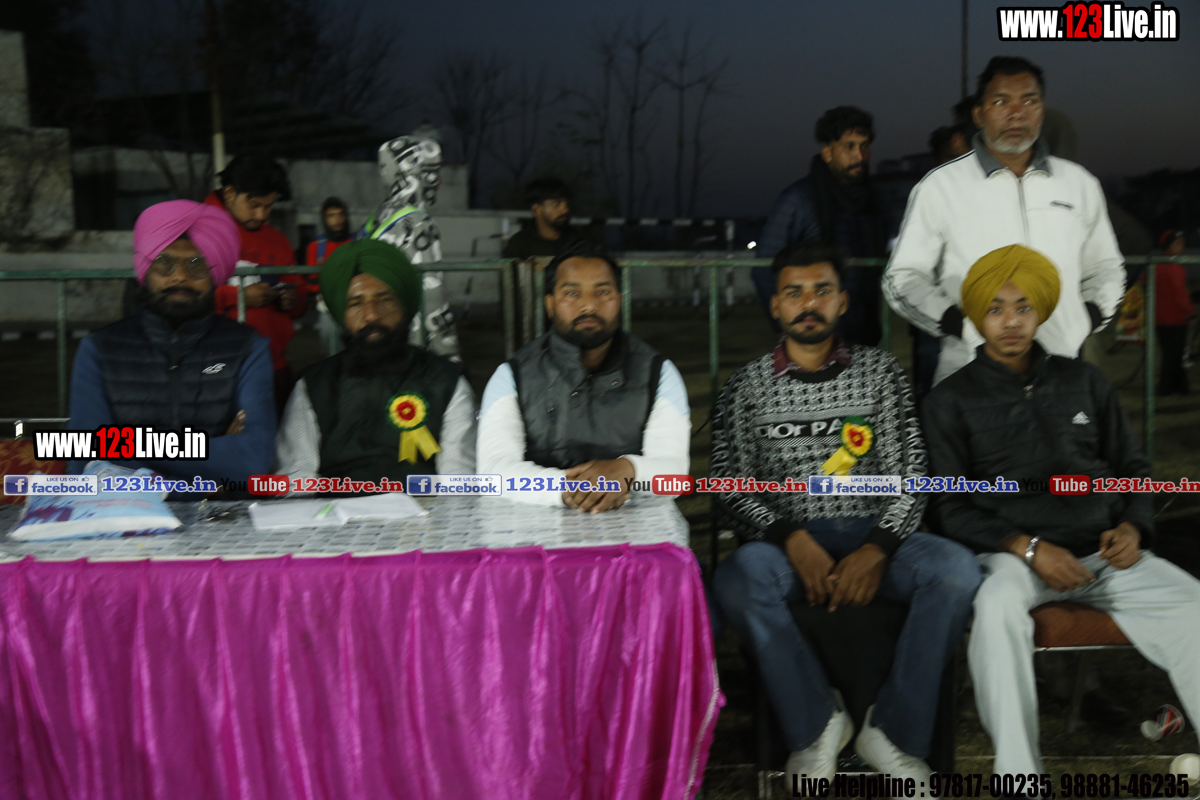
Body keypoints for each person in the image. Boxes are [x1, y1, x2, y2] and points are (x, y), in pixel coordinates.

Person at [921, 244, 1200, 776]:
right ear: (977, 314)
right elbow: (947, 506)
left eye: (1023, 307)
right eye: (996, 308)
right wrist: (1028, 549)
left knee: (1194, 606)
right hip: (1010, 557)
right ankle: (1019, 776)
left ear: (1041, 311)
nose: (1010, 321)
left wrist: (1133, 526)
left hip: (1103, 553)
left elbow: (1132, 467)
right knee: (997, 607)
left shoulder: (1083, 380)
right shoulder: (948, 400)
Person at [711, 241, 980, 786]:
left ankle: (895, 734)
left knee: (955, 571)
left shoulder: (880, 373)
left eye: (822, 291)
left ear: (842, 302)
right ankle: (817, 725)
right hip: (785, 546)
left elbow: (911, 475)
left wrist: (877, 548)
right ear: (776, 305)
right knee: (738, 579)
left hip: (875, 534)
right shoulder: (747, 386)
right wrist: (791, 538)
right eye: (794, 293)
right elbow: (729, 486)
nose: (808, 304)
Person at [883, 56, 1126, 385]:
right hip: (971, 375)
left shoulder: (1078, 183)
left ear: (1042, 110)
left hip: (1060, 374)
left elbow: (1106, 267)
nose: (1017, 113)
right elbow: (904, 277)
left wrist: (1085, 320)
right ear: (979, 114)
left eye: (1029, 100)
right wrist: (961, 326)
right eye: (1001, 101)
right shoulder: (940, 187)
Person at [67, 200, 275, 485]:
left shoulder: (247, 348)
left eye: (196, 265)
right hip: (129, 508)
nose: (180, 276)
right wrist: (207, 473)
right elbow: (86, 460)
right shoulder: (100, 350)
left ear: (214, 273)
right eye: (164, 263)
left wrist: (126, 447)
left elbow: (254, 460)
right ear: (146, 270)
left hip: (223, 511)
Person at [477, 242, 691, 511]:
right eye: (572, 293)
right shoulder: (513, 375)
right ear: (550, 304)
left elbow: (674, 476)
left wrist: (628, 469)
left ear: (619, 300)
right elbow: (493, 472)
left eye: (603, 292)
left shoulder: (657, 372)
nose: (589, 305)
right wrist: (566, 489)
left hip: (634, 524)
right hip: (537, 526)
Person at [275, 239, 476, 483]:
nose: (371, 315)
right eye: (355, 303)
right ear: (341, 314)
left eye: (384, 299)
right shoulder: (313, 387)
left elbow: (458, 479)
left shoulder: (447, 382)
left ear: (404, 307)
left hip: (424, 505)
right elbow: (296, 478)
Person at [754, 107, 892, 346]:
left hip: (864, 333)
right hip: (814, 336)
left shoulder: (873, 202)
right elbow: (764, 267)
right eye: (849, 146)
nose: (859, 156)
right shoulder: (800, 199)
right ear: (828, 153)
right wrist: (788, 322)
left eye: (864, 146)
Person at [204, 155, 308, 412]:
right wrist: (238, 297)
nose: (261, 215)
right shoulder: (197, 233)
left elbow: (299, 297)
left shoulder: (278, 240)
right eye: (254, 205)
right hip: (215, 369)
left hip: (275, 366)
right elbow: (178, 298)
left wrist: (293, 299)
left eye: (268, 206)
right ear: (230, 194)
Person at [363, 135, 460, 360]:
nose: (438, 181)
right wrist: (450, 356)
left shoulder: (379, 216)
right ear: (411, 173)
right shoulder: (418, 222)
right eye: (431, 172)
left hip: (381, 331)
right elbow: (432, 298)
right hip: (410, 344)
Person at [1152, 230, 1193, 396]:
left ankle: (1178, 386)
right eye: (1178, 243)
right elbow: (1180, 294)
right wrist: (1190, 313)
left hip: (1158, 318)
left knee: (1169, 353)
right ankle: (1168, 387)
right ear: (1169, 246)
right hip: (1175, 318)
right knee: (1175, 354)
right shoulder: (1175, 268)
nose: (1182, 247)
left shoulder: (1155, 265)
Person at [502, 178, 586, 259]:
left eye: (566, 203)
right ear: (537, 209)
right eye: (556, 204)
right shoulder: (520, 244)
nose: (565, 209)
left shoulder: (579, 241)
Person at [305, 197, 352, 268]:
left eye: (341, 214)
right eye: (331, 215)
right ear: (325, 219)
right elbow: (312, 274)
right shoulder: (315, 247)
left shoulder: (356, 243)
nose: (337, 219)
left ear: (346, 217)